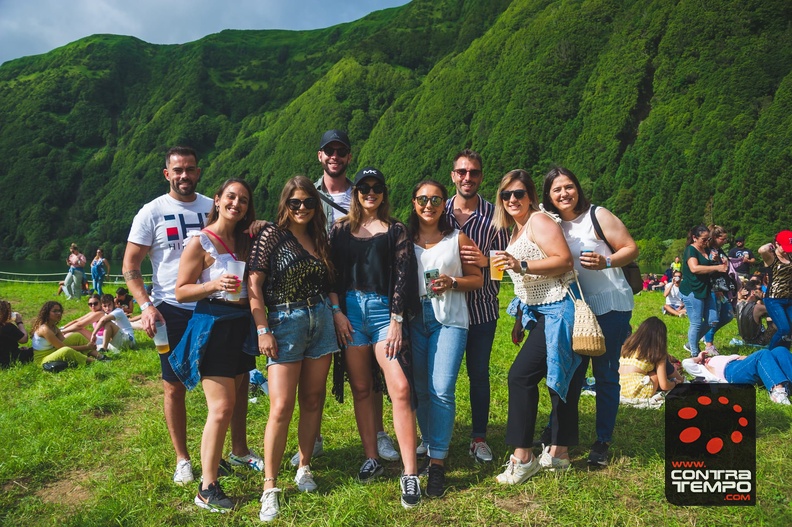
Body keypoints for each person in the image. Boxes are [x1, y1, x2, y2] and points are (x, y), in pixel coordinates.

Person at [123, 146, 261, 486]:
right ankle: (183, 458)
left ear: (198, 173)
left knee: (238, 380)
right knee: (174, 386)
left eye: (190, 169)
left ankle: (239, 450)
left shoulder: (212, 206)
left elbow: (239, 236)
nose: (184, 175)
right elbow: (130, 266)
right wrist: (145, 305)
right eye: (177, 170)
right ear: (167, 174)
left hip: (219, 309)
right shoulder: (151, 212)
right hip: (170, 308)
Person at [328, 166, 421, 507]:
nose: (370, 192)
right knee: (362, 388)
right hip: (350, 314)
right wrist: (337, 312)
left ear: (384, 191)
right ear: (355, 191)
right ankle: (371, 457)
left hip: (384, 314)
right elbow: (332, 275)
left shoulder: (395, 229)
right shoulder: (339, 230)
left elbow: (402, 274)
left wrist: (397, 319)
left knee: (400, 386)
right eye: (364, 186)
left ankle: (409, 473)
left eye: (376, 186)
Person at [249, 176, 340, 522]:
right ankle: (269, 486)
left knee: (313, 400)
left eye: (308, 202)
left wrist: (336, 314)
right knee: (281, 405)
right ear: (285, 204)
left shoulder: (320, 238)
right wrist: (262, 329)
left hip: (320, 319)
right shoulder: (271, 235)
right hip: (284, 321)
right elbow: (254, 284)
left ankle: (304, 466)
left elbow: (331, 282)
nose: (302, 208)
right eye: (295, 202)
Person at [310, 129, 399, 465]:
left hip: (355, 290)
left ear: (348, 156)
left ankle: (378, 433)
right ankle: (313, 436)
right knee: (314, 369)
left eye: (341, 151)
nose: (335, 156)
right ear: (320, 156)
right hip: (315, 291)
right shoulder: (308, 193)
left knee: (370, 371)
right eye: (328, 151)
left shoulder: (361, 191)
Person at [169, 178, 258, 513]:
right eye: (231, 197)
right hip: (213, 327)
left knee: (234, 404)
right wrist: (214, 285)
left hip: (240, 326)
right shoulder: (201, 243)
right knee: (220, 408)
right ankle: (206, 488)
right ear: (218, 200)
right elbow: (180, 291)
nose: (236, 204)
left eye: (244, 201)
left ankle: (223, 460)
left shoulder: (245, 241)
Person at [542, 166, 638, 467]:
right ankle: (557, 433)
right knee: (571, 373)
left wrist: (606, 260)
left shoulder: (597, 215)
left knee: (606, 374)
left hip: (609, 304)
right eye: (556, 189)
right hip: (575, 308)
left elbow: (630, 248)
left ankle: (602, 441)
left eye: (568, 187)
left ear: (578, 189)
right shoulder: (552, 224)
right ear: (548, 195)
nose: (564, 194)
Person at [491, 169, 577, 483]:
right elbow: (527, 285)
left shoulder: (539, 221)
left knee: (521, 376)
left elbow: (564, 260)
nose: (512, 199)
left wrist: (520, 264)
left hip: (559, 310)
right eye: (506, 195)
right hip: (538, 313)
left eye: (519, 194)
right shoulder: (515, 231)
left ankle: (523, 457)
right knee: (557, 380)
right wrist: (518, 319)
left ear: (530, 196)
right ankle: (558, 452)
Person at [407, 179, 482, 496]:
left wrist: (452, 281)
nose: (429, 205)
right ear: (414, 203)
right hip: (414, 319)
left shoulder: (457, 237)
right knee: (421, 390)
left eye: (436, 199)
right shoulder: (403, 239)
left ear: (444, 204)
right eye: (423, 199)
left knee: (441, 389)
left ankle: (437, 462)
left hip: (449, 319)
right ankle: (429, 442)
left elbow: (478, 279)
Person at [443, 149, 508, 463]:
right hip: (445, 309)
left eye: (474, 172)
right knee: (442, 376)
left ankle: (478, 437)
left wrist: (487, 262)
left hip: (482, 307)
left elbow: (506, 263)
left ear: (481, 177)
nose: (467, 178)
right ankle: (437, 435)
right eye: (462, 172)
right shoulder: (436, 211)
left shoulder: (496, 215)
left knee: (479, 374)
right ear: (453, 175)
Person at [678, 225, 727, 357]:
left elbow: (707, 267)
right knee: (697, 322)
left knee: (713, 320)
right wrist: (717, 267)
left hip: (705, 289)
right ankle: (695, 354)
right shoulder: (690, 250)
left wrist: (715, 261)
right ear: (694, 238)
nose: (706, 242)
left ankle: (690, 343)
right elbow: (694, 268)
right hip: (692, 290)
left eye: (708, 239)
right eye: (704, 239)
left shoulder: (706, 249)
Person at [681, 347, 791, 405]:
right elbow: (686, 363)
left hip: (743, 365)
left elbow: (749, 359)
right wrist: (700, 358)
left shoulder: (725, 357)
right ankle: (777, 392)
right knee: (762, 353)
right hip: (731, 373)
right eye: (705, 359)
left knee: (780, 350)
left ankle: (788, 384)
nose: (707, 358)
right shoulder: (702, 369)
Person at [619, 317, 684, 399]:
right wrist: (674, 383)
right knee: (654, 375)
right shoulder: (657, 352)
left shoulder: (627, 346)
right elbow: (664, 386)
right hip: (636, 392)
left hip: (620, 388)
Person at [30, 301, 106, 367]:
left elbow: (65, 341)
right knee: (66, 350)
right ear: (47, 313)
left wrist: (86, 346)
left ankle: (100, 356)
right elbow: (62, 347)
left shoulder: (54, 327)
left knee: (77, 336)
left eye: (59, 311)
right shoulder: (44, 329)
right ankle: (92, 361)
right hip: (43, 359)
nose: (58, 313)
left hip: (53, 351)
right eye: (55, 311)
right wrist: (86, 347)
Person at [701, 225, 737, 354]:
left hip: (722, 287)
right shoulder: (707, 250)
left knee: (728, 315)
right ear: (715, 237)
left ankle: (705, 335)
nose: (725, 241)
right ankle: (709, 344)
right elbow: (705, 269)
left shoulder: (720, 250)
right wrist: (714, 261)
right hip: (712, 288)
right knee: (713, 317)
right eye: (723, 239)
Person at [759, 231, 792, 349]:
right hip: (774, 299)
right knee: (784, 329)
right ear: (777, 244)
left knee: (790, 330)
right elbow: (762, 250)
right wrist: (771, 246)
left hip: (789, 299)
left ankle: (784, 353)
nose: (787, 250)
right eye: (785, 246)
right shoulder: (771, 257)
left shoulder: (790, 255)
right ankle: (770, 352)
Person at [735, 282, 775, 346]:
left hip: (746, 339)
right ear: (753, 292)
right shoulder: (758, 308)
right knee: (779, 321)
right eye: (760, 289)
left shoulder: (739, 304)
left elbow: (740, 298)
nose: (762, 292)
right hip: (758, 341)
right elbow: (776, 310)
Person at [0, 300, 31, 368]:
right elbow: (24, 339)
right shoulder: (6, 326)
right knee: (37, 350)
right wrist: (19, 322)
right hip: (9, 360)